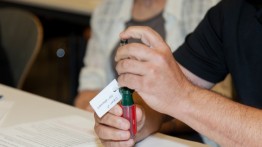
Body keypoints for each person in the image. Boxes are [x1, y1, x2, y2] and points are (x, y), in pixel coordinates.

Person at [94, 0, 262, 146]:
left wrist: (184, 96)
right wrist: (132, 120)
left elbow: (178, 92)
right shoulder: (232, 11)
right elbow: (166, 90)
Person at [75, 0, 221, 111]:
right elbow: (90, 87)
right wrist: (101, 113)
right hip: (124, 122)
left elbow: (213, 100)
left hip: (179, 132)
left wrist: (141, 120)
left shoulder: (205, 8)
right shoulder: (108, 8)